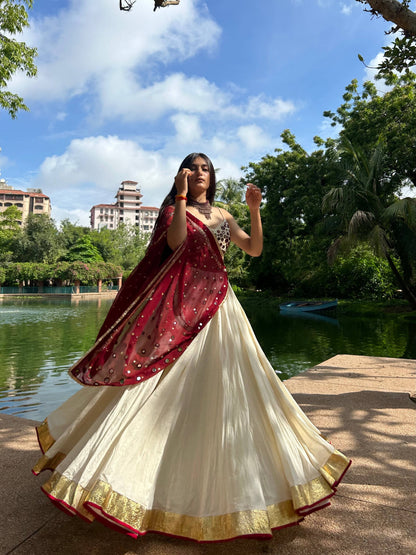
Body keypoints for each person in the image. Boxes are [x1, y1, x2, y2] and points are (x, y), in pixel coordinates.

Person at [33, 153, 350, 542]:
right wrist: (180, 198)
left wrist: (254, 210)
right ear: (182, 175)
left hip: (220, 303)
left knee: (233, 386)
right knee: (162, 384)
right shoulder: (172, 210)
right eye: (193, 168)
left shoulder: (224, 214)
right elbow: (176, 242)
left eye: (206, 169)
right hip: (182, 305)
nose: (201, 173)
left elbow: (253, 250)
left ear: (212, 176)